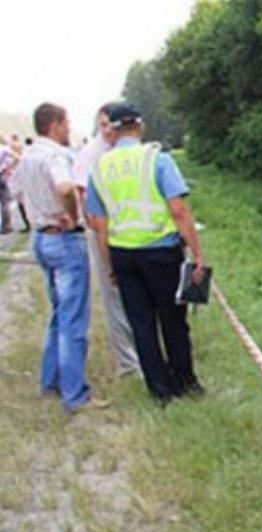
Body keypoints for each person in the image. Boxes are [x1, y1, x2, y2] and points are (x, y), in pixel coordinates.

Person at [86, 104, 208, 406]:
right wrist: (198, 254)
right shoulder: (157, 159)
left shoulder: (99, 169)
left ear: (112, 130)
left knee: (141, 324)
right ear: (139, 125)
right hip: (161, 252)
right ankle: (184, 381)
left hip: (124, 254)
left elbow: (98, 223)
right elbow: (178, 210)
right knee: (173, 320)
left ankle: (160, 391)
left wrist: (108, 262)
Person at [9, 103, 107, 412]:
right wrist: (72, 214)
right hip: (64, 239)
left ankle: (50, 380)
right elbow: (65, 187)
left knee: (58, 314)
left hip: (41, 237)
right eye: (66, 123)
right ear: (54, 125)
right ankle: (75, 394)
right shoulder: (56, 156)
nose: (69, 128)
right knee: (73, 319)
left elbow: (16, 191)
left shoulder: (27, 158)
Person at [73, 103, 140, 377]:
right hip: (104, 233)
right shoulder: (92, 154)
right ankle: (128, 363)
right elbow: (81, 192)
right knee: (114, 297)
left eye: (110, 125)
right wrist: (100, 234)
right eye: (102, 125)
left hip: (132, 233)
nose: (107, 130)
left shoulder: (129, 150)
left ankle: (143, 350)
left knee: (135, 295)